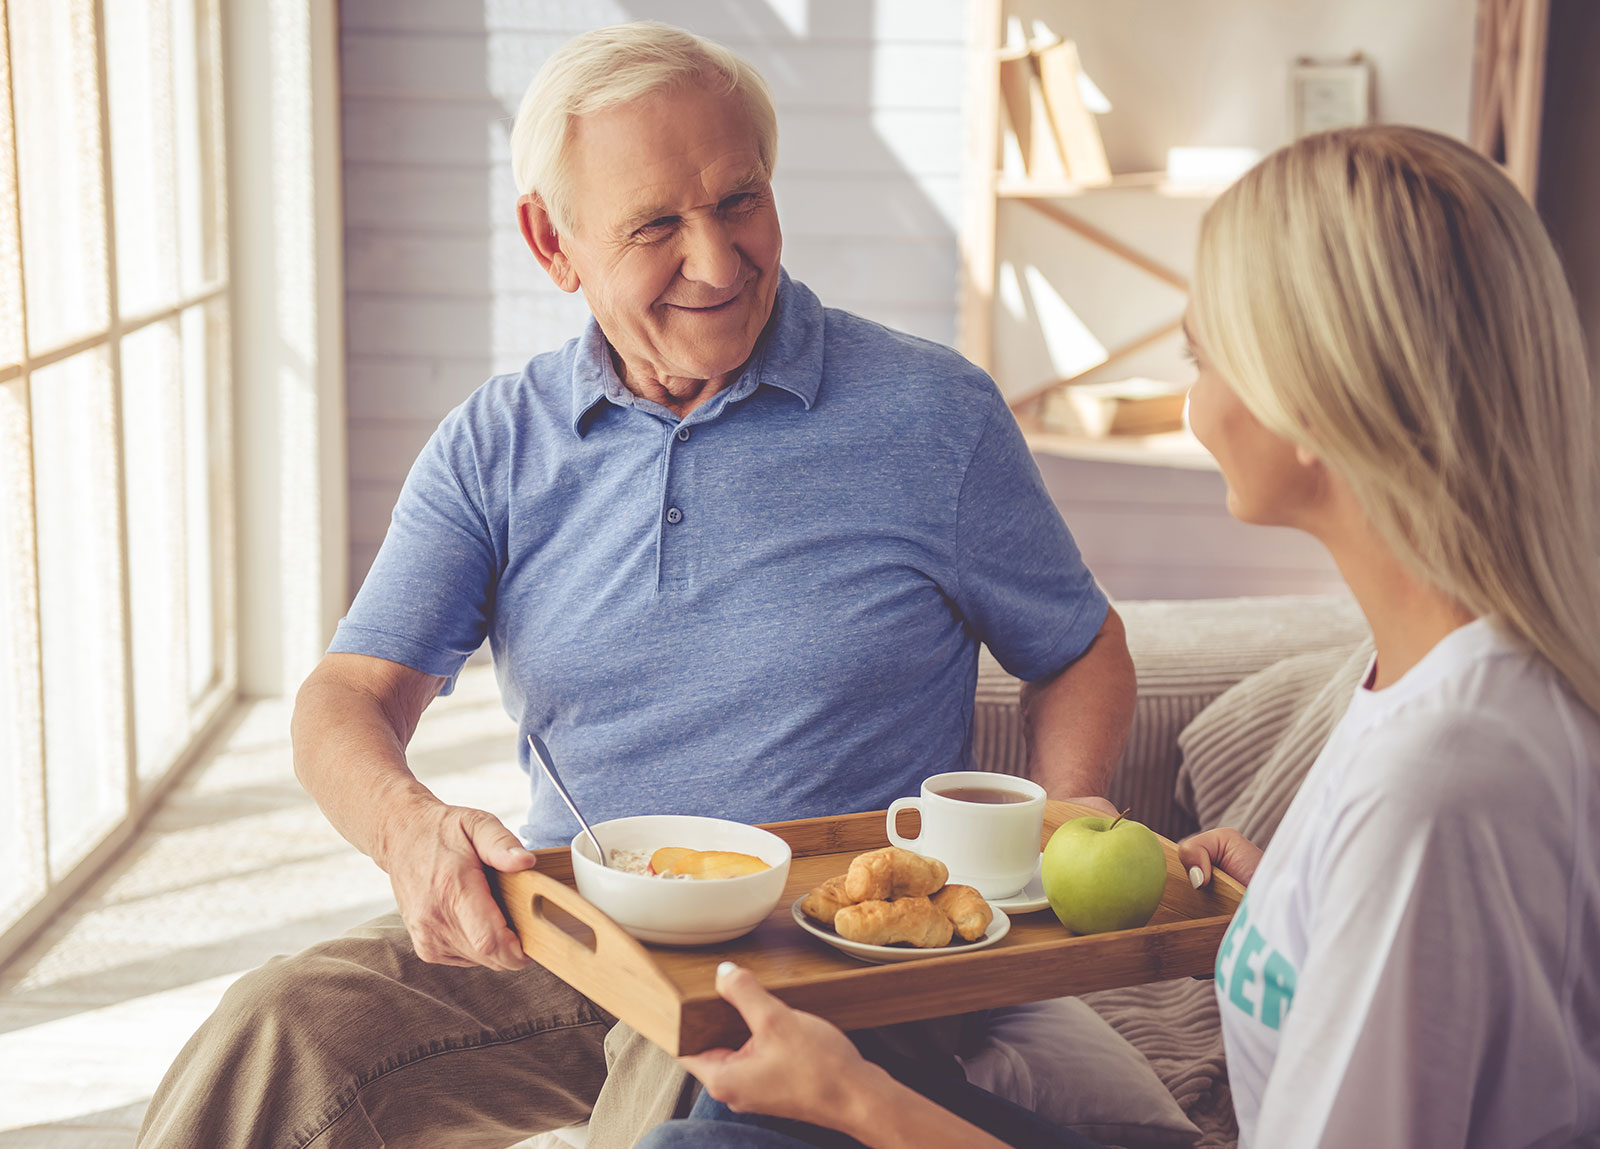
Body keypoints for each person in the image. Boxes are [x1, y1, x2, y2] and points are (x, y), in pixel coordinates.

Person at [135, 22, 1138, 1149]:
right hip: (575, 928)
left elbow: (1077, 648)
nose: (716, 262)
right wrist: (408, 825)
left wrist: (1062, 816)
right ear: (551, 243)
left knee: (693, 1073)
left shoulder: (931, 416)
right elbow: (346, 699)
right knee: (277, 1026)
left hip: (822, 956)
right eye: (656, 224)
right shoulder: (496, 444)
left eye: (741, 202)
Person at [636, 125, 1600, 1148]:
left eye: (1203, 355)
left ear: (1316, 399)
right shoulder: (1447, 689)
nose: (1194, 402)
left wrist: (855, 1102)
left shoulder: (1440, 785)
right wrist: (1305, 902)